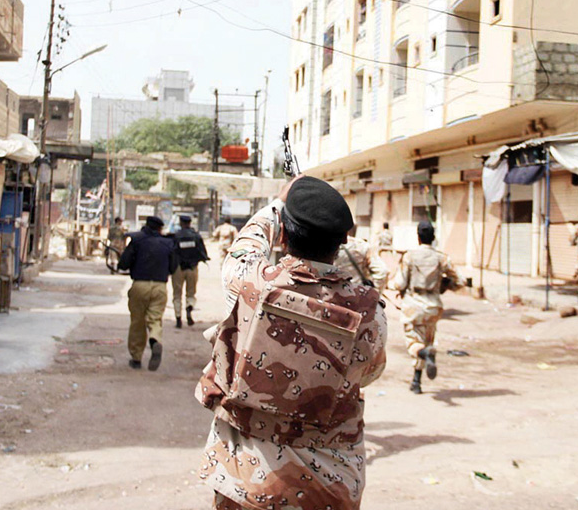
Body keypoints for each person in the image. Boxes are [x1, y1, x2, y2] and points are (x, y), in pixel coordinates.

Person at [196, 176, 387, 510]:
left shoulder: (249, 280)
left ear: (282, 235)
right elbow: (369, 372)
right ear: (342, 242)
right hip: (330, 485)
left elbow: (248, 242)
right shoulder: (369, 309)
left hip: (248, 480)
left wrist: (279, 202)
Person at [391, 221, 461, 395]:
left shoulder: (409, 256)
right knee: (428, 341)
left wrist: (395, 288)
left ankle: (423, 355)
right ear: (433, 238)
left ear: (418, 237)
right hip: (433, 305)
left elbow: (400, 282)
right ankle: (416, 381)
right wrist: (445, 286)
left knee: (413, 342)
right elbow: (459, 281)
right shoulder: (441, 257)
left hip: (413, 305)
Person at [117, 216, 177, 371]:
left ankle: (136, 359)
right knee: (155, 319)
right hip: (160, 287)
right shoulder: (168, 243)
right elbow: (173, 267)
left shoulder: (137, 241)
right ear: (159, 229)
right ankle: (155, 339)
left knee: (138, 322)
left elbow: (123, 263)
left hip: (140, 285)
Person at [172, 215, 209, 329]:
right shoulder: (196, 236)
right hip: (192, 267)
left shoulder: (176, 236)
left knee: (177, 293)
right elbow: (203, 253)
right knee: (191, 292)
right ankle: (189, 307)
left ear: (181, 223)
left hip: (178, 268)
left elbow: (171, 251)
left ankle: (178, 318)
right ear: (190, 223)